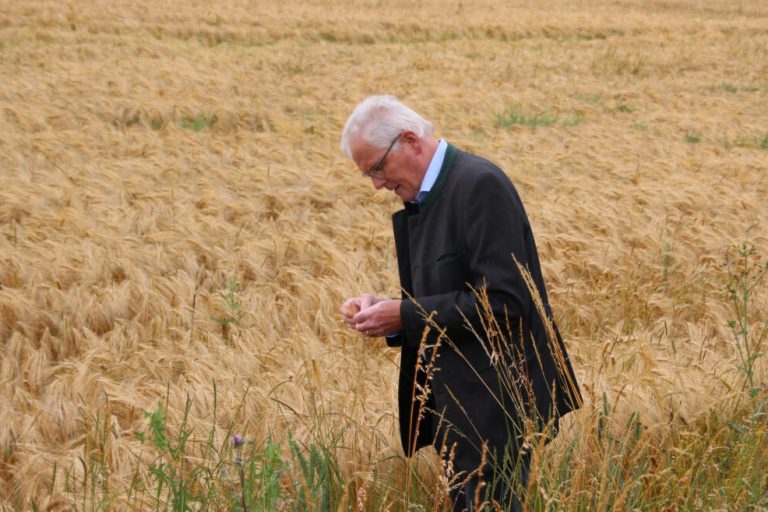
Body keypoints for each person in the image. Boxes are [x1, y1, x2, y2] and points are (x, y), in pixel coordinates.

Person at [339, 95, 581, 511]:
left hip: (497, 409)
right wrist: (389, 314)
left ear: (410, 140)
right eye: (368, 176)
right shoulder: (427, 196)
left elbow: (505, 302)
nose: (377, 184)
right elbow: (448, 295)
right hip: (460, 409)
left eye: (377, 168)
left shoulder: (478, 186)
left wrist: (406, 314)